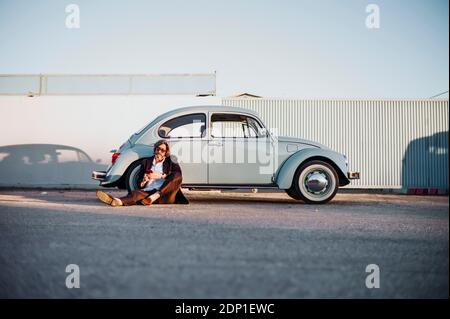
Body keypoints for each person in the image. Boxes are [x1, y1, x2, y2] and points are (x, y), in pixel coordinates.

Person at [96, 140, 188, 206]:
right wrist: (144, 181)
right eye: (158, 149)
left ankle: (155, 197)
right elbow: (140, 184)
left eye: (162, 150)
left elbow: (177, 175)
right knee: (135, 194)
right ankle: (117, 201)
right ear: (155, 149)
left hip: (165, 194)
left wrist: (160, 176)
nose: (159, 151)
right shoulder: (146, 162)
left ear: (165, 153)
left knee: (177, 175)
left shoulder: (171, 160)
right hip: (148, 193)